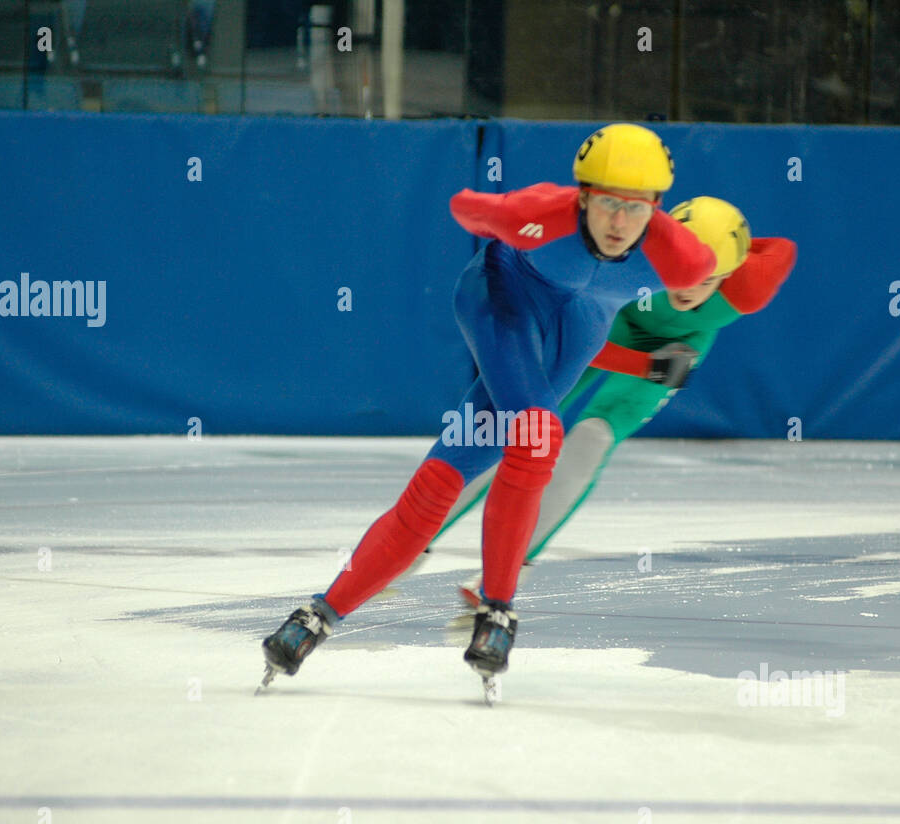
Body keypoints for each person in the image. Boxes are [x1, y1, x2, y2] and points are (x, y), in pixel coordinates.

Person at [259, 124, 715, 688]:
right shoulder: (542, 213)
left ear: (657, 207)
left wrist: (646, 365)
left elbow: (760, 269)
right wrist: (500, 225)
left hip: (575, 331)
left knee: (439, 487)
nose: (618, 223)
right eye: (604, 204)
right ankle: (498, 610)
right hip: (501, 304)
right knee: (538, 433)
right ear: (582, 197)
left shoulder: (684, 259)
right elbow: (464, 206)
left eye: (634, 208)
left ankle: (316, 617)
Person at [433, 197, 797, 603]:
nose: (689, 288)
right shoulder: (629, 261)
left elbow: (784, 248)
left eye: (708, 278)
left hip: (676, 347)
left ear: (730, 276)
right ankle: (420, 530)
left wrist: (731, 242)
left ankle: (510, 568)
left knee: (593, 436)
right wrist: (645, 365)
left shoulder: (749, 288)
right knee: (521, 422)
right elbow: (586, 342)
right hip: (611, 327)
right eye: (682, 271)